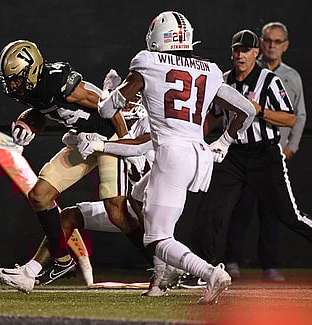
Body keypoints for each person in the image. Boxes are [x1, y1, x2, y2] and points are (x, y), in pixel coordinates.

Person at [97, 11, 257, 304]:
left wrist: (107, 93)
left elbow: (107, 112)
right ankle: (162, 277)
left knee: (157, 238)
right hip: (199, 155)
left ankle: (210, 273)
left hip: (172, 156)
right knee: (137, 195)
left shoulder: (147, 62)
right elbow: (247, 110)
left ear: (158, 38)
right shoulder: (207, 69)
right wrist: (223, 141)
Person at [0, 41, 150, 293]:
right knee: (40, 195)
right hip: (84, 139)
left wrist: (127, 146)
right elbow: (44, 112)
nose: (12, 85)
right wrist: (26, 123)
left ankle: (158, 263)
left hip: (110, 138)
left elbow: (108, 105)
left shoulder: (57, 80)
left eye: (16, 79)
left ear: (31, 72)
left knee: (116, 211)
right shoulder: (32, 90)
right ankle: (60, 262)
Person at [183, 29, 312, 289]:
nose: (240, 55)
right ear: (231, 52)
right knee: (209, 210)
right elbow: (213, 116)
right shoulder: (224, 81)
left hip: (264, 154)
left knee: (289, 215)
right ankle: (201, 271)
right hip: (232, 155)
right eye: (237, 50)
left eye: (246, 50)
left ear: (256, 53)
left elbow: (289, 118)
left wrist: (259, 110)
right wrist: (193, 138)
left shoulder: (269, 81)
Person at [223, 22, 307, 282]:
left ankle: (270, 266)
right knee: (232, 210)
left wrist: (289, 149)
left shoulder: (286, 77)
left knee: (279, 214)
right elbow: (216, 115)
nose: (272, 45)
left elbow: (297, 117)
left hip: (270, 153)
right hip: (237, 154)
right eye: (268, 40)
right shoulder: (229, 79)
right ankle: (225, 264)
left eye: (277, 41)